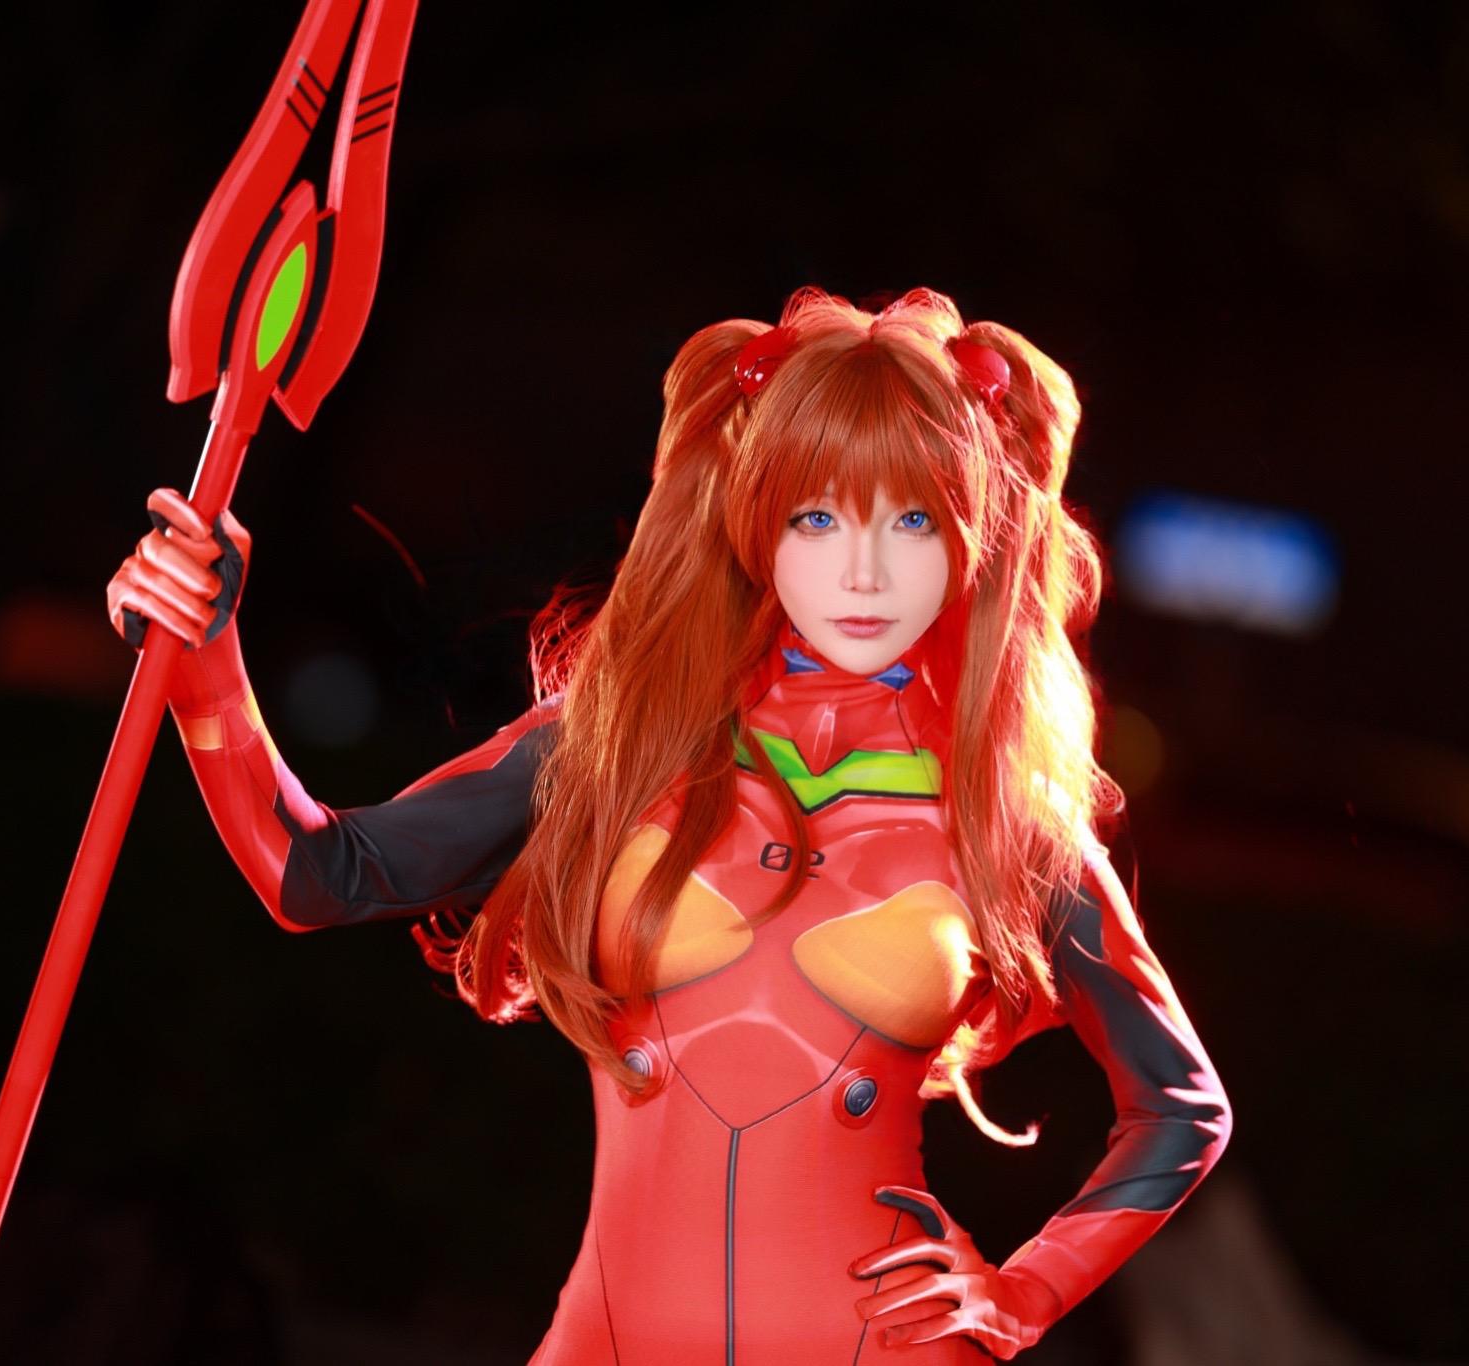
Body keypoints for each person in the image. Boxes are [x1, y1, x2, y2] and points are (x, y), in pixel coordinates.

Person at [105, 287, 1231, 1362]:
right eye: (817, 515)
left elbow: (1182, 1107)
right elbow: (317, 873)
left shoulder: (1002, 818)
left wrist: (1021, 1294)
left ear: (971, 536)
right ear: (754, 518)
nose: (863, 569)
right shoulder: (620, 744)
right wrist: (207, 651)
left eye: (912, 520)